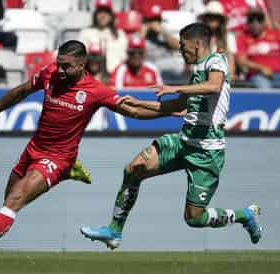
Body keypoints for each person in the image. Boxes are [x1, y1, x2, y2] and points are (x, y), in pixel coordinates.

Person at [0, 40, 149, 263]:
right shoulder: (50, 73)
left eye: (66, 66)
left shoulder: (96, 91)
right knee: (8, 199)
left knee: (14, 201)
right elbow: (21, 91)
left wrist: (165, 111)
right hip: (34, 148)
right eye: (58, 64)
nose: (60, 70)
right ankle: (70, 173)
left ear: (82, 64)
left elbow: (133, 111)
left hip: (59, 158)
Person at [80, 23, 262, 250]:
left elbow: (214, 87)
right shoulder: (198, 70)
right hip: (183, 141)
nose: (180, 51)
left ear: (197, 44)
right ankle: (114, 231)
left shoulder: (216, 61)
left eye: (183, 46)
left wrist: (176, 88)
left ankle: (244, 215)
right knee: (133, 168)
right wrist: (139, 104)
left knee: (194, 218)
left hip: (207, 152)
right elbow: (175, 105)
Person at [236, 9, 280, 88]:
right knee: (264, 89)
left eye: (259, 19)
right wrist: (261, 68)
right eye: (251, 20)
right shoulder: (242, 38)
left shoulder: (276, 35)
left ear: (264, 22)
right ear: (247, 23)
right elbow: (241, 61)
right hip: (259, 76)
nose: (255, 23)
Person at [139, 4, 187, 83]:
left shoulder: (165, 34)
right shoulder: (141, 36)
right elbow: (135, 52)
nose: (155, 23)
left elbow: (180, 46)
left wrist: (163, 32)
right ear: (146, 21)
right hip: (149, 70)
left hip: (168, 70)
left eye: (158, 20)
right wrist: (143, 34)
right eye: (152, 20)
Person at [78, 0, 128, 73]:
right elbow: (80, 57)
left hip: (115, 75)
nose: (103, 15)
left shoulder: (120, 34)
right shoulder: (86, 32)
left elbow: (125, 58)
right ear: (95, 14)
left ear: (111, 15)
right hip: (92, 75)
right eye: (100, 12)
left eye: (106, 12)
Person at [198, 1, 237, 80]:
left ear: (220, 20)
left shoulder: (228, 37)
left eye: (216, 17)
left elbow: (231, 64)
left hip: (222, 80)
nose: (212, 19)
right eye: (210, 16)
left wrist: (227, 79)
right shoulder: (199, 37)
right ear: (205, 19)